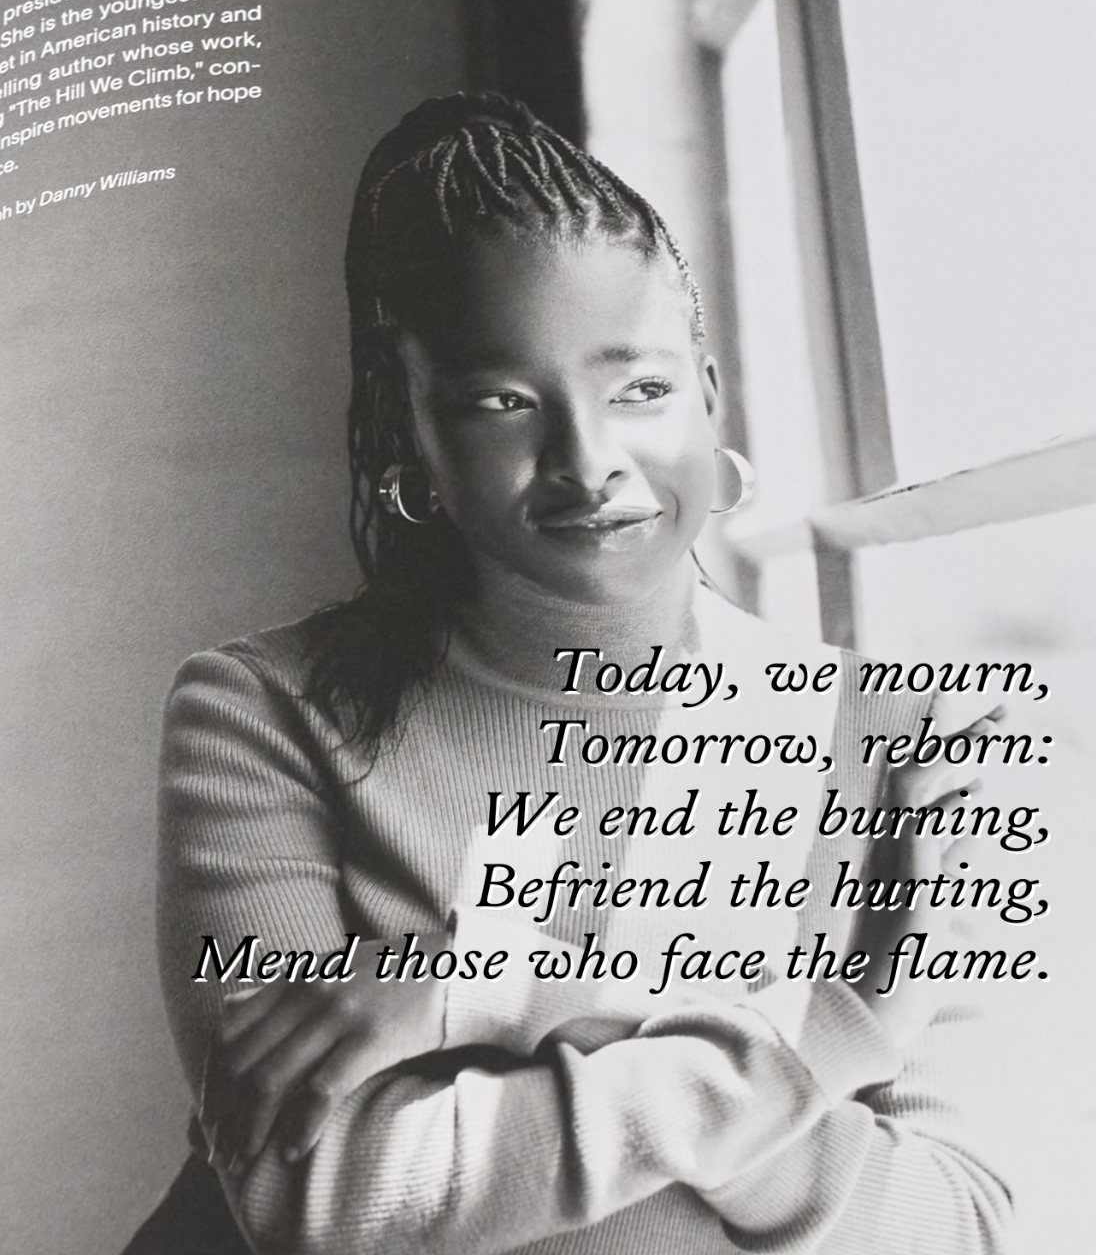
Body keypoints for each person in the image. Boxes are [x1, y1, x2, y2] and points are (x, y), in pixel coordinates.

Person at [154, 93, 1010, 1255]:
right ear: (410, 439)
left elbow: (957, 1228)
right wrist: (820, 1044)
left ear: (711, 394)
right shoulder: (260, 712)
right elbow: (331, 1206)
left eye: (641, 388)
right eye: (502, 402)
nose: (589, 462)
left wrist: (484, 999)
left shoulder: (905, 740)